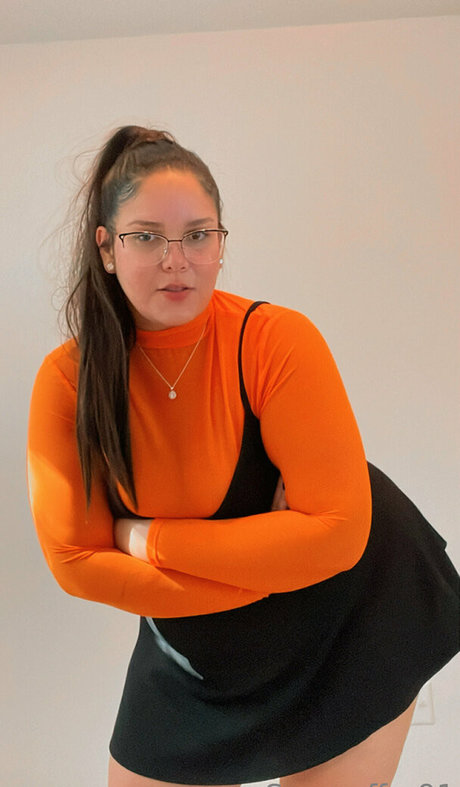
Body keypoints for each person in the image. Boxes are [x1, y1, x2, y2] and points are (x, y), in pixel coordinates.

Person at [27, 126, 459, 787]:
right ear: (107, 248)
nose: (177, 260)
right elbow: (77, 563)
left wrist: (145, 539)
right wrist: (273, 560)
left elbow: (338, 536)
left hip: (348, 617)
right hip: (198, 653)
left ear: (221, 242)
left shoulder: (275, 341)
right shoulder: (68, 380)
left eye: (198, 235)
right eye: (147, 236)